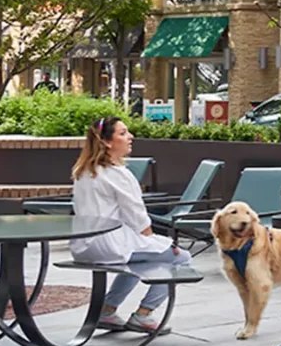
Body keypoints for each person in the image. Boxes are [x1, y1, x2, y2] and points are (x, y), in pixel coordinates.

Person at [71, 117, 193, 331]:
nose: (131, 137)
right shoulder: (118, 175)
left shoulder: (83, 172)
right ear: (107, 142)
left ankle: (107, 310)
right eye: (123, 133)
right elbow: (138, 218)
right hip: (109, 245)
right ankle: (144, 313)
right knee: (180, 258)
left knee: (140, 258)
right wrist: (156, 242)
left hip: (83, 246)